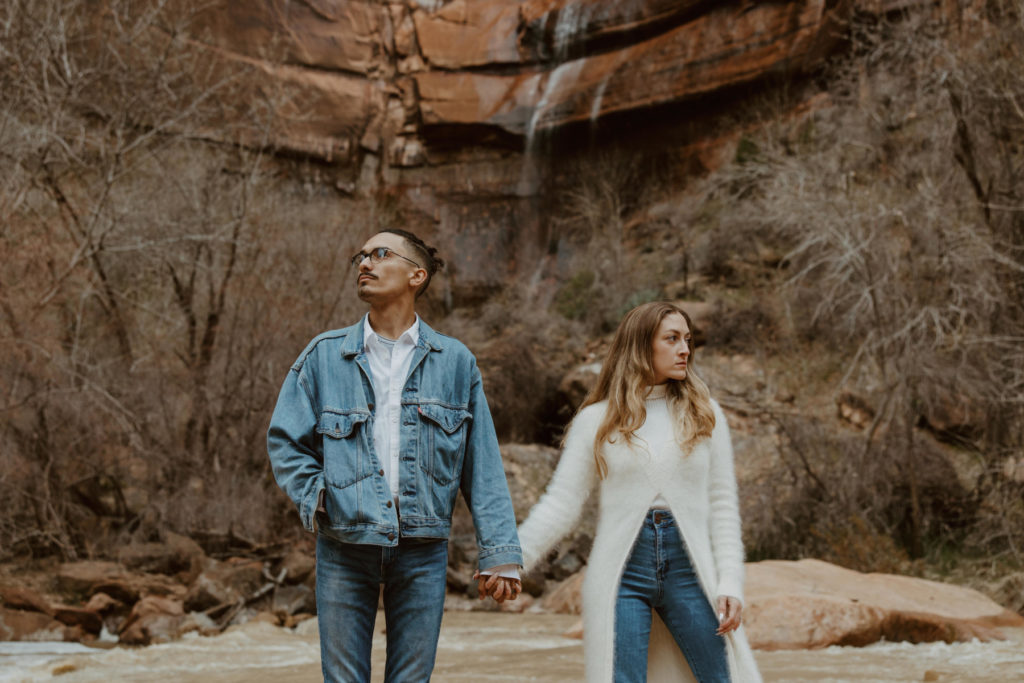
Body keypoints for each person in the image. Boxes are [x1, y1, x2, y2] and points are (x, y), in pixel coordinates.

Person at [267, 229, 523, 683]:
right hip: (345, 546)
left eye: (380, 254)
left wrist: (499, 555)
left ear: (416, 275)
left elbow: (481, 463)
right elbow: (285, 441)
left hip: (423, 551)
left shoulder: (456, 361)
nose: (365, 263)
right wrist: (320, 496)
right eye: (360, 256)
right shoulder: (324, 356)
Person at [507, 301, 762, 682]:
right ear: (642, 345)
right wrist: (510, 560)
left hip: (690, 570)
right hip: (622, 573)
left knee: (725, 676)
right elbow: (561, 503)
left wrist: (730, 582)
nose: (685, 350)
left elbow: (723, 506)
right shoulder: (597, 420)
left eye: (687, 340)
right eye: (672, 339)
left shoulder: (706, 414)